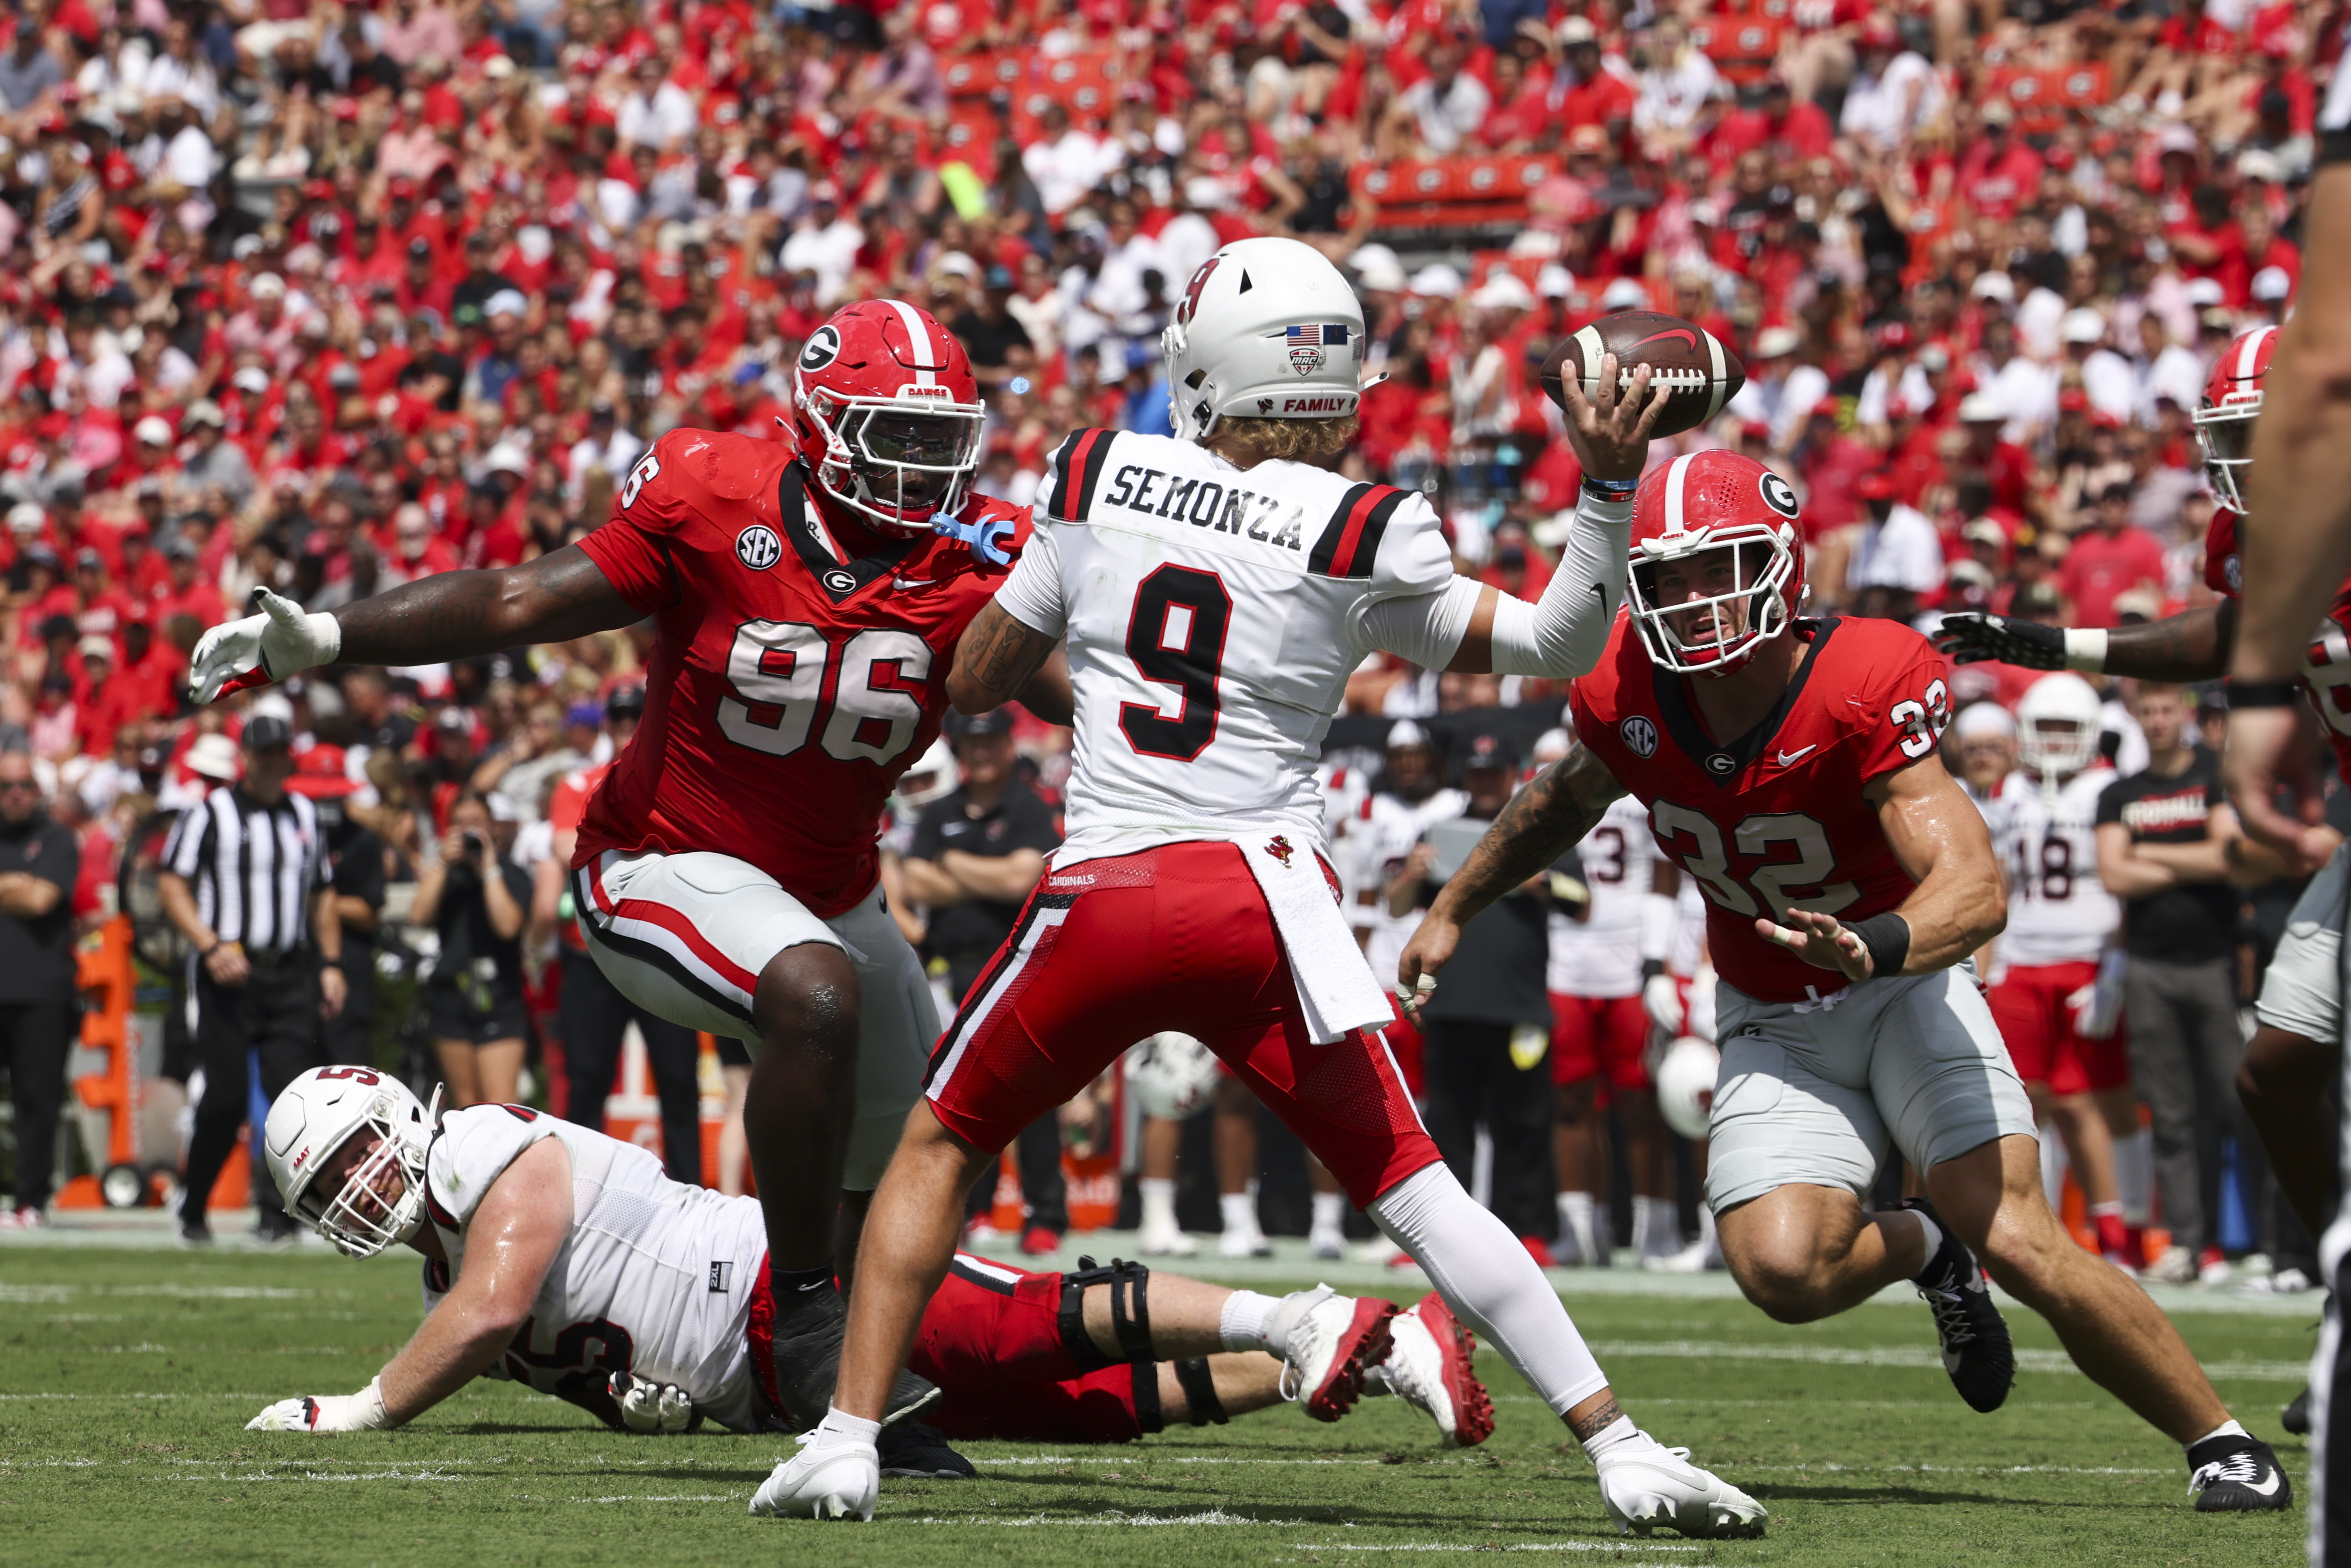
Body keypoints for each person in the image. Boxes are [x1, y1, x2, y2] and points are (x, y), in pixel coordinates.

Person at [767, 236, 1764, 1538]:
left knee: (941, 1144)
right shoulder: (1369, 526)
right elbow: (1563, 640)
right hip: (1259, 902)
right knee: (1419, 1185)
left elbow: (973, 680)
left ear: (1203, 366)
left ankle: (846, 1436)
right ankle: (1619, 1442)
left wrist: (1042, 590)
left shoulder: (1092, 469)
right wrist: (1611, 482)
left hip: (1107, 887)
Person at [184, 299, 1057, 1428]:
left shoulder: (977, 551)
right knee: (814, 987)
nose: (923, 469)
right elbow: (515, 597)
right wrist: (333, 636)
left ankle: (849, 1389)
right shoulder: (713, 492)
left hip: (832, 889)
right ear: (818, 425)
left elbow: (1088, 700)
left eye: (943, 442)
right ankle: (800, 1318)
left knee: (937, 1140)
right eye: (896, 437)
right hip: (657, 862)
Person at [1398, 448, 2288, 1511]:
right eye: (1668, 576)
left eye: (1717, 565)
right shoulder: (1621, 682)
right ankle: (1925, 1245)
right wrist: (1453, 903)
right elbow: (1563, 799)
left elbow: (1972, 881)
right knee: (1781, 1271)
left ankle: (2220, 1440)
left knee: (2017, 1232)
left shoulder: (1862, 673)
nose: (1692, 599)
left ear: (1783, 564)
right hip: (1772, 1012)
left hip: (1904, 983)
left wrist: (1877, 940)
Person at [242, 1066, 1492, 1455]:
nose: (358, 1188)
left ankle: (1306, 1313)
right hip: (771, 1389)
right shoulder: (434, 1280)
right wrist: (638, 1411)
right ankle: (1364, 1354)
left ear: (398, 1117)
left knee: (1023, 1322)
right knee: (1081, 1410)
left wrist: (360, 1406)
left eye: (354, 1155)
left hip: (788, 1288)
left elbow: (495, 1306)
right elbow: (563, 1351)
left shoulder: (481, 1144)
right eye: (329, 1190)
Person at [2093, 683, 2269, 1286]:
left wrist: (2151, 853)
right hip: (2149, 967)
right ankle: (2190, 1244)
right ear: (2137, 718)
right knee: (2170, 1114)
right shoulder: (2122, 792)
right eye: (2149, 711)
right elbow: (2113, 873)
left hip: (2215, 964)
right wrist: (2186, 856)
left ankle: (2266, 1245)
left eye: (2169, 710)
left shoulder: (2213, 775)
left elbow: (2228, 857)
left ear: (2187, 715)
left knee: (2241, 1103)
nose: (2159, 720)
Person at [157, 715, 347, 1244]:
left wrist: (331, 964)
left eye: (281, 751)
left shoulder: (304, 814)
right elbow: (172, 883)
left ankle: (277, 1214)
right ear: (246, 757)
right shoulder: (210, 814)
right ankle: (193, 1207)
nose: (272, 761)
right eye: (263, 752)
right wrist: (209, 944)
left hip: (288, 970)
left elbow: (322, 893)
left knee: (293, 1100)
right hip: (227, 972)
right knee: (226, 1096)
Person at [1982, 675, 2143, 1273]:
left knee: (2084, 1103)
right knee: (2024, 1105)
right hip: (2023, 958)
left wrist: (2117, 966)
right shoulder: (2010, 791)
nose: (2052, 741)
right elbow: (2000, 885)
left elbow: (2122, 881)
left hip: (2088, 958)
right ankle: (2032, 1228)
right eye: (2043, 727)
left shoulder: (2109, 787)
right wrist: (1987, 972)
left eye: (2064, 728)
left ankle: (2117, 1230)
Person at [900, 706, 1062, 1252]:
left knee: (1029, 1088)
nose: (983, 750)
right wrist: (987, 873)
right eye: (974, 742)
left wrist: (955, 863)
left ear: (1008, 743)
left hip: (1018, 962)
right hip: (952, 969)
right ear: (961, 750)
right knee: (959, 1092)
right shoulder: (939, 809)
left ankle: (1044, 1212)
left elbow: (1026, 877)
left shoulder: (1028, 806)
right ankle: (976, 1209)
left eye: (992, 739)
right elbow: (916, 881)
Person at [535, 685, 708, 1185]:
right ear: (607, 725)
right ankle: (583, 1194)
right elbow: (568, 844)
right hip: (591, 953)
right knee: (587, 1083)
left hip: (660, 954)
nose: (629, 727)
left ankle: (689, 1194)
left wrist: (615, 842)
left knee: (679, 1081)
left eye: (638, 717)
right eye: (621, 718)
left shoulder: (679, 780)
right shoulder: (579, 781)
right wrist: (649, 846)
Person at [1396, 732, 1557, 1258]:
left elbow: (1583, 901)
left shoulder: (1539, 824)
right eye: (1476, 772)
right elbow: (1399, 905)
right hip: (1453, 1000)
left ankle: (1526, 1233)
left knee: (1522, 1125)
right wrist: (1414, 872)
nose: (1485, 782)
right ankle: (1442, 1238)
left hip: (1518, 1003)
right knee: (1446, 1127)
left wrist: (1541, 882)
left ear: (1514, 773)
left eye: (1494, 772)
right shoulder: (1441, 830)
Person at [1538, 727, 1683, 1269]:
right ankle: (1583, 1228)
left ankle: (1656, 1228)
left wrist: (1655, 961)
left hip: (1628, 964)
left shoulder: (1642, 786)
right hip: (1564, 962)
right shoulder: (1547, 782)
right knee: (1571, 1099)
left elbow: (1666, 876)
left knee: (1643, 1103)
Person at [408, 793, 533, 1108]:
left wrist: (488, 868)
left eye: (476, 823)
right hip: (452, 998)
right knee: (467, 1108)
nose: (467, 831)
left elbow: (508, 926)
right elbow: (419, 916)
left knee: (502, 1107)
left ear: (492, 826)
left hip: (499, 999)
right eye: (460, 824)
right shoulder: (447, 874)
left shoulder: (511, 873)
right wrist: (441, 862)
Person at [0, 749, 79, 1228]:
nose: (14, 795)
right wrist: (16, 884)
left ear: (39, 791)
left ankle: (30, 1201)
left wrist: (25, 888)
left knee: (38, 1098)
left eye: (23, 785)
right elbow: (26, 893)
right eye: (6, 786)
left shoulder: (57, 838)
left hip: (41, 992)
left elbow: (43, 898)